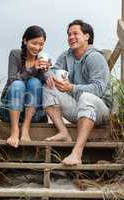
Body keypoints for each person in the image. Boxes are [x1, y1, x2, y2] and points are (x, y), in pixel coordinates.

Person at [43, 19, 113, 166]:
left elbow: (99, 89)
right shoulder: (66, 55)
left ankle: (77, 153)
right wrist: (49, 75)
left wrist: (72, 88)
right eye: (69, 34)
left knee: (87, 97)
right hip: (78, 108)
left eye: (75, 33)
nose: (71, 37)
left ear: (87, 36)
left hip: (101, 111)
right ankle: (63, 133)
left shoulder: (95, 57)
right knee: (47, 86)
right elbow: (53, 69)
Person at [0, 25, 50, 148]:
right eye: (34, 43)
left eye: (41, 44)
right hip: (10, 111)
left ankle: (26, 129)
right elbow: (12, 80)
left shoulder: (43, 59)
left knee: (35, 82)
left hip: (32, 114)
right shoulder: (15, 54)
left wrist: (46, 72)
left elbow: (44, 87)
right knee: (18, 84)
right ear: (25, 40)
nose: (37, 47)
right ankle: (15, 130)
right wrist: (32, 69)